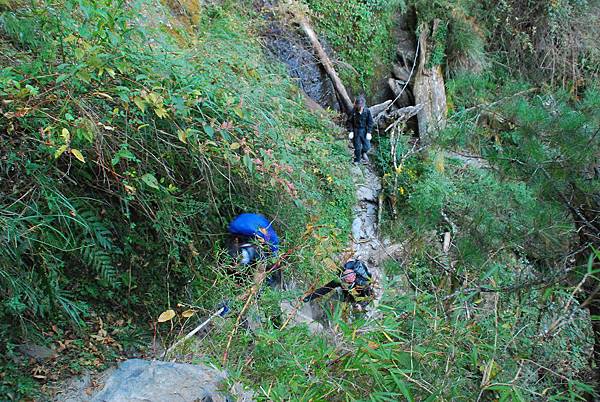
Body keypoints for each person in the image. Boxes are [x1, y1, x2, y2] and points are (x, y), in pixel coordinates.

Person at [227, 213, 281, 287]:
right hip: (251, 238)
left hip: (236, 234)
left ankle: (234, 280)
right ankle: (260, 289)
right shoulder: (265, 228)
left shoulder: (249, 222)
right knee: (263, 264)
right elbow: (273, 245)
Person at [303, 259, 373, 309]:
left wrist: (361, 305)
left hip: (356, 297)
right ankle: (324, 319)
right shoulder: (340, 279)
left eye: (345, 282)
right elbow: (325, 289)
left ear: (352, 280)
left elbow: (370, 297)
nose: (342, 283)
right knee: (331, 302)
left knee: (354, 309)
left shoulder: (362, 285)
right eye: (342, 281)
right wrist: (308, 298)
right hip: (346, 293)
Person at [347, 95, 374, 165]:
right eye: (358, 106)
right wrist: (351, 131)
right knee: (357, 147)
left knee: (367, 147)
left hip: (364, 131)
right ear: (356, 105)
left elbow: (370, 122)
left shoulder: (367, 111)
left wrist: (369, 132)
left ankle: (363, 152)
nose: (360, 108)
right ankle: (357, 160)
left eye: (361, 106)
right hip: (356, 131)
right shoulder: (353, 111)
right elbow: (349, 122)